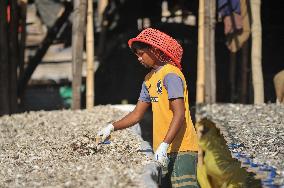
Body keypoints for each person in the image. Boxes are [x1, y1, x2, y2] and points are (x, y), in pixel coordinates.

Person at [97, 28, 199, 187]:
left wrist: (165, 145)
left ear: (154, 51)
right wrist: (111, 127)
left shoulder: (170, 75)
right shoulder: (149, 79)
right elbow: (137, 114)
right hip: (163, 149)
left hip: (182, 148)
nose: (138, 58)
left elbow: (180, 114)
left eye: (141, 53)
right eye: (136, 54)